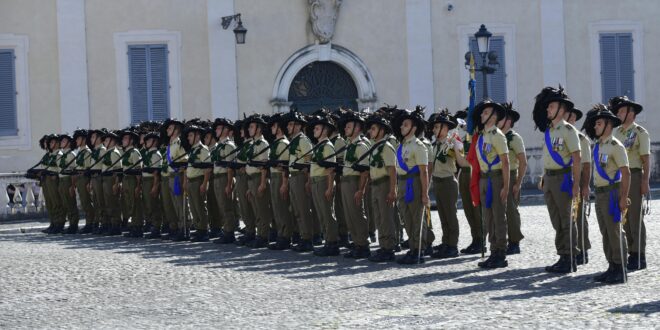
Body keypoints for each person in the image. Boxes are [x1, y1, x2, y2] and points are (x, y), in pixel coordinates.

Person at [533, 86, 582, 274]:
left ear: (562, 109)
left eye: (551, 107)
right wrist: (544, 176)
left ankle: (570, 257)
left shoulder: (568, 130)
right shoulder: (550, 131)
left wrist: (576, 184)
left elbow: (576, 158)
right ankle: (562, 254)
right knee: (556, 220)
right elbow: (549, 157)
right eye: (548, 107)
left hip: (563, 178)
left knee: (566, 220)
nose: (548, 110)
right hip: (550, 179)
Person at [585, 106, 630, 284]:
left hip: (612, 192)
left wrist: (623, 197)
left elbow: (626, 173)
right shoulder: (597, 146)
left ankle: (621, 267)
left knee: (615, 230)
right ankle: (612, 265)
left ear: (608, 125)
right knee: (605, 231)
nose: (595, 127)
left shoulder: (615, 146)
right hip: (600, 193)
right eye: (595, 123)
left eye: (599, 123)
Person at [610, 96, 650, 271]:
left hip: (634, 176)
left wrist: (645, 181)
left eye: (621, 111)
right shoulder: (616, 133)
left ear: (630, 113)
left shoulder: (640, 132)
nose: (618, 114)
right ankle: (629, 252)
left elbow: (646, 160)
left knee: (634, 217)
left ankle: (638, 254)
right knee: (623, 217)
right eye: (618, 111)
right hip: (619, 177)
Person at [472, 100, 510, 269]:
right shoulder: (482, 136)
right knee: (488, 217)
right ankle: (493, 250)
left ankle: (500, 252)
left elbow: (506, 162)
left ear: (494, 117)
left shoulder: (497, 135)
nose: (482, 115)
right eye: (482, 113)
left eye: (486, 113)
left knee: (498, 216)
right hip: (484, 179)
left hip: (495, 178)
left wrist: (506, 186)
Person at [429, 110, 469, 259]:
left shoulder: (453, 143)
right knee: (443, 216)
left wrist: (456, 147)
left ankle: (453, 245)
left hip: (448, 182)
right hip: (438, 182)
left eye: (437, 126)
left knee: (451, 216)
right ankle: (446, 242)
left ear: (445, 128)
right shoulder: (435, 145)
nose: (434, 129)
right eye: (434, 127)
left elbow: (460, 162)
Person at [393, 108, 430, 264]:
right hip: (402, 183)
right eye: (402, 125)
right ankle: (412, 247)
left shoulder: (418, 146)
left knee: (416, 217)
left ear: (414, 128)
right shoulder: (401, 146)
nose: (402, 127)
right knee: (406, 217)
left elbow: (424, 171)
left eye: (406, 125)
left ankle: (419, 250)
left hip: (414, 182)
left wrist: (425, 193)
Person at [364, 114, 399, 262]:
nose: (370, 131)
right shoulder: (375, 146)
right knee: (378, 217)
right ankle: (383, 245)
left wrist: (392, 190)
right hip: (376, 184)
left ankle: (389, 248)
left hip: (384, 183)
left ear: (382, 131)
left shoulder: (386, 147)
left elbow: (392, 170)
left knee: (386, 217)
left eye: (373, 129)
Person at [282, 110, 315, 252]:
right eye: (288, 124)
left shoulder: (303, 140)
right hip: (293, 177)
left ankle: (307, 239)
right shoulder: (294, 140)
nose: (288, 127)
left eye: (291, 124)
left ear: (298, 126)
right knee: (297, 210)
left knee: (303, 209)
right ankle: (303, 236)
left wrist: (308, 181)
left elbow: (309, 161)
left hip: (301, 177)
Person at [338, 111, 371, 259]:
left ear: (357, 128)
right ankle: (357, 243)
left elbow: (364, 171)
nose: (345, 128)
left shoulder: (361, 146)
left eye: (349, 126)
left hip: (354, 183)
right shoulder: (349, 145)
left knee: (357, 213)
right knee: (349, 215)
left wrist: (360, 190)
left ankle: (363, 244)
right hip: (346, 182)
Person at [308, 114, 340, 257]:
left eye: (317, 128)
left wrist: (329, 187)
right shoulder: (318, 146)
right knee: (321, 214)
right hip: (316, 181)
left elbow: (331, 169)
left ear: (325, 131)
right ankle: (327, 241)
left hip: (323, 182)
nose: (314, 130)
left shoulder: (327, 146)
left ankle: (332, 243)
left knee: (327, 214)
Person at [497, 102, 527, 255]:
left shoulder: (514, 138)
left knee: (511, 211)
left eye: (501, 118)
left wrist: (518, 183)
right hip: (498, 176)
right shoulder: (496, 137)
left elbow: (523, 162)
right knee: (499, 211)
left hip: (512, 174)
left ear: (508, 121)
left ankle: (514, 242)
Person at [565, 107, 592, 265]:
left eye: (571, 116)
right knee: (565, 219)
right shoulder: (558, 135)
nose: (569, 119)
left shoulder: (581, 139)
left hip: (579, 180)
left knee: (579, 218)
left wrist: (585, 186)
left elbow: (587, 165)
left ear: (574, 119)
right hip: (563, 181)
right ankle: (568, 250)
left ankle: (582, 250)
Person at [267, 113, 296, 250]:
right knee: (276, 208)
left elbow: (285, 166)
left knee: (282, 208)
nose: (272, 128)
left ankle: (285, 236)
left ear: (279, 127)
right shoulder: (276, 143)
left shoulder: (284, 144)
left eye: (274, 125)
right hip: (274, 177)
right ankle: (281, 234)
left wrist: (284, 184)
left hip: (280, 178)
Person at [244, 114, 273, 248]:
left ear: (259, 129)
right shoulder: (252, 143)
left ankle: (263, 236)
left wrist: (262, 183)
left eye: (252, 127)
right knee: (256, 209)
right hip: (251, 179)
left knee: (262, 209)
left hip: (258, 179)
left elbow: (263, 167)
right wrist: (250, 186)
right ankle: (259, 234)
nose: (249, 129)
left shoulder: (263, 144)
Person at [211, 117, 239, 244]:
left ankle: (229, 232)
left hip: (224, 178)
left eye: (218, 128)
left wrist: (229, 184)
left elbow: (230, 167)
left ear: (226, 130)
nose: (216, 130)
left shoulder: (228, 146)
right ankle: (226, 229)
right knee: (221, 206)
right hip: (217, 178)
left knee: (227, 206)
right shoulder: (219, 146)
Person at [185, 125, 212, 242]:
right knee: (193, 206)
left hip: (198, 180)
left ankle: (204, 230)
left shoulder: (203, 149)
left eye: (191, 135)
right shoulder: (192, 150)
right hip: (191, 181)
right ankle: (198, 228)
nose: (189, 138)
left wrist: (204, 183)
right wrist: (186, 181)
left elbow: (208, 168)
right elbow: (188, 168)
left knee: (200, 206)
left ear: (197, 136)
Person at [120, 129, 144, 238]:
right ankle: (133, 225)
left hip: (133, 180)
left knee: (135, 204)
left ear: (131, 141)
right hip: (126, 179)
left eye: (126, 138)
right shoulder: (126, 152)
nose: (123, 140)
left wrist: (138, 186)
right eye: (123, 138)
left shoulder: (134, 152)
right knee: (129, 203)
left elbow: (139, 170)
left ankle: (138, 227)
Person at [72, 129, 96, 234]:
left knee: (87, 202)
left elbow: (88, 168)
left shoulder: (87, 152)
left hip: (84, 178)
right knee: (83, 202)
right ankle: (89, 222)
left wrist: (89, 182)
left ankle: (90, 223)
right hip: (79, 178)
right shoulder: (80, 152)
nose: (76, 140)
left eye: (78, 138)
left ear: (83, 139)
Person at [56, 133, 80, 234]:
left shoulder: (71, 155)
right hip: (61, 179)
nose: (61, 143)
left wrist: (72, 186)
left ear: (69, 143)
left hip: (68, 180)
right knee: (65, 203)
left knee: (71, 204)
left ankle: (74, 225)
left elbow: (74, 172)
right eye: (61, 141)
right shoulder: (62, 154)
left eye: (64, 141)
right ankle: (70, 224)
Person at [142, 131, 164, 239]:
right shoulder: (147, 153)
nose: (146, 142)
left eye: (149, 140)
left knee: (154, 204)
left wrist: (155, 186)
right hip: (145, 180)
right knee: (148, 204)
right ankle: (152, 225)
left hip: (151, 181)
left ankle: (156, 227)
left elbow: (156, 173)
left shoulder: (155, 154)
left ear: (155, 142)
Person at [100, 130, 123, 236]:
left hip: (111, 179)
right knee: (107, 203)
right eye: (105, 140)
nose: (105, 142)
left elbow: (117, 171)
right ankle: (110, 224)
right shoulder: (107, 152)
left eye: (108, 140)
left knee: (113, 203)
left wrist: (116, 183)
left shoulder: (114, 153)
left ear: (113, 141)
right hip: (105, 179)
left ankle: (116, 225)